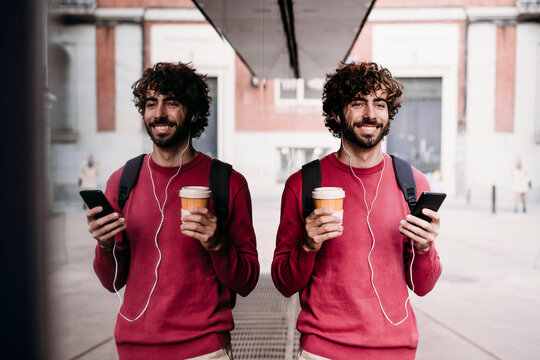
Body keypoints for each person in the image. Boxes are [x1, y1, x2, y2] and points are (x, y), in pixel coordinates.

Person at [86, 62, 259, 360]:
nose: (159, 113)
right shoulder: (122, 181)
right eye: (151, 104)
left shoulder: (228, 183)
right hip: (134, 347)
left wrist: (217, 243)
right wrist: (104, 245)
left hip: (204, 350)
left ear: (193, 113)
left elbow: (246, 281)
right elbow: (112, 282)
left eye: (172, 103)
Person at [271, 62, 443, 359]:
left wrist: (424, 248)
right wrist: (308, 245)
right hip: (323, 351)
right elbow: (284, 283)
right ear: (336, 113)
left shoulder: (412, 183)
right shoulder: (303, 184)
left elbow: (423, 286)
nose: (370, 114)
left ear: (389, 114)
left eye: (380, 104)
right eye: (358, 103)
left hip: (396, 350)